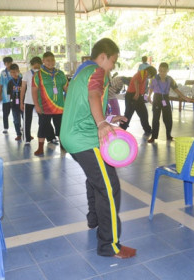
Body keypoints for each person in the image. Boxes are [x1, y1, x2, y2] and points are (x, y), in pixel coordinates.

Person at [60, 38, 136, 259]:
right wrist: (102, 123)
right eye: (112, 61)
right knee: (109, 188)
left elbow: (85, 105)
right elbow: (93, 96)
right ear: (103, 56)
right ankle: (109, 246)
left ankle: (94, 219)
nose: (112, 66)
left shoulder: (80, 73)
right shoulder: (97, 72)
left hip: (72, 136)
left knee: (95, 177)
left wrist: (109, 117)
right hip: (83, 138)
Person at [32, 51, 68, 156]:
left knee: (61, 128)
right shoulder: (38, 75)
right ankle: (40, 148)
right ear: (43, 61)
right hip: (44, 107)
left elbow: (67, 89)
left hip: (60, 107)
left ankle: (63, 146)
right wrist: (36, 105)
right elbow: (34, 91)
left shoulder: (60, 74)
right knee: (43, 127)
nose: (50, 62)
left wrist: (68, 102)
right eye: (47, 60)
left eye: (52, 60)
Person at [147, 62, 189, 143]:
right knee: (156, 118)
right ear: (158, 70)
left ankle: (168, 135)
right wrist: (149, 96)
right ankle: (153, 136)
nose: (162, 73)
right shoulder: (154, 78)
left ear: (168, 71)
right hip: (157, 98)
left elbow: (176, 89)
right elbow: (151, 88)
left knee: (168, 118)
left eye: (164, 71)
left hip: (165, 99)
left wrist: (184, 97)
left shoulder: (170, 79)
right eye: (161, 71)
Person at [119, 66, 156, 134]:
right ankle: (121, 130)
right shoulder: (142, 73)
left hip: (138, 96)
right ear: (149, 72)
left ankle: (147, 129)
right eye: (151, 75)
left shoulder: (145, 74)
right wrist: (137, 93)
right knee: (128, 114)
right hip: (132, 95)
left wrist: (140, 94)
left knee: (143, 114)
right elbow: (136, 81)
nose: (150, 77)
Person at [20, 56, 42, 144]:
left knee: (43, 120)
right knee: (27, 120)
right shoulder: (27, 74)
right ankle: (26, 138)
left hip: (40, 100)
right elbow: (23, 88)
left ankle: (45, 136)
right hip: (28, 100)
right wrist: (21, 102)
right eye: (35, 66)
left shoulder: (43, 74)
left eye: (38, 66)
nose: (36, 68)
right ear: (32, 65)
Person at [0, 56, 13, 134]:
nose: (7, 64)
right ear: (4, 64)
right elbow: (0, 85)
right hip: (6, 97)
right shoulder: (3, 73)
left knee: (17, 113)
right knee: (5, 113)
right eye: (6, 63)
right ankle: (5, 128)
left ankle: (19, 126)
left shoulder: (16, 71)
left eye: (9, 63)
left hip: (15, 97)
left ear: (11, 63)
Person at [7, 63, 23, 141]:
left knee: (26, 119)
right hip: (14, 104)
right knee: (16, 120)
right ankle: (18, 134)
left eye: (14, 72)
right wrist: (10, 103)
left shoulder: (23, 80)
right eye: (11, 72)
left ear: (18, 71)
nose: (13, 74)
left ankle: (27, 134)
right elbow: (9, 94)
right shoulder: (10, 82)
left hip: (23, 103)